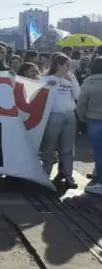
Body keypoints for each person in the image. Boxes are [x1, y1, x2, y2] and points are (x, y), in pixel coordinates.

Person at [40, 53, 80, 189]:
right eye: (66, 65)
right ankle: (46, 173)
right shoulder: (45, 78)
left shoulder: (70, 77)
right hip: (53, 115)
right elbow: (37, 96)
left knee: (68, 148)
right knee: (49, 146)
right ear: (58, 65)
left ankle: (68, 175)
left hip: (70, 115)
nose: (69, 68)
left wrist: (73, 81)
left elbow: (78, 95)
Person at [77, 57, 102, 194]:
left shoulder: (88, 84)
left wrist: (83, 118)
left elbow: (81, 105)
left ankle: (101, 183)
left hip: (95, 121)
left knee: (99, 154)